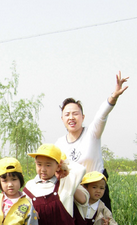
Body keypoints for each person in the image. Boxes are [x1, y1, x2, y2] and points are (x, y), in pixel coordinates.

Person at [55, 71, 129, 211]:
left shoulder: (92, 133)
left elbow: (102, 115)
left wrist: (113, 96)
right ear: (62, 119)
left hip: (96, 191)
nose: (71, 117)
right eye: (67, 114)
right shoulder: (59, 144)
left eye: (75, 114)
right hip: (74, 195)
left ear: (82, 117)